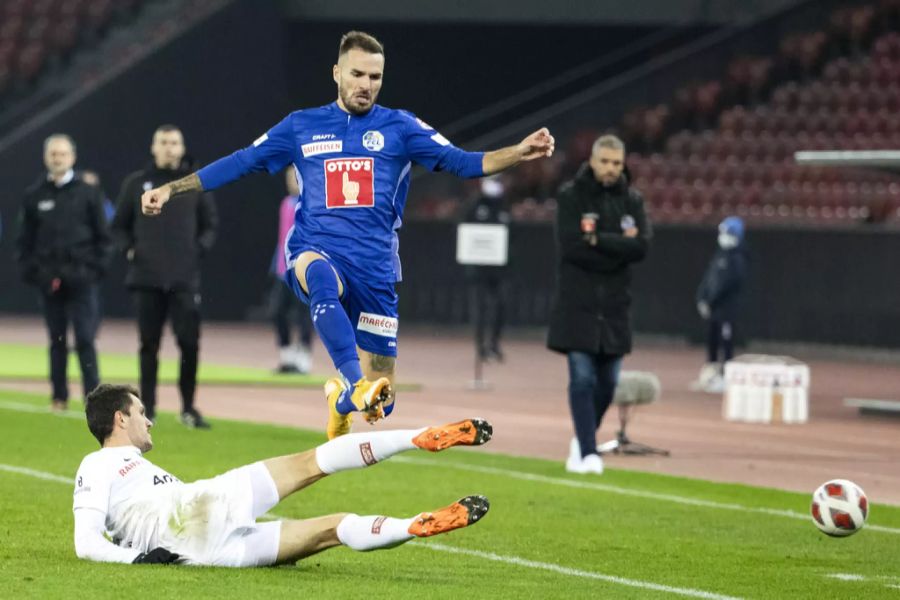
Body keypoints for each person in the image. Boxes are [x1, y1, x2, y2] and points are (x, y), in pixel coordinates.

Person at [139, 31, 555, 439]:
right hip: (315, 247)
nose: (366, 85)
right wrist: (171, 188)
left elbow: (463, 163)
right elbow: (240, 162)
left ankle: (343, 400)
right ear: (337, 72)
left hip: (374, 268)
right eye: (357, 74)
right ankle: (353, 381)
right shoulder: (301, 126)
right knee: (318, 277)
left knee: (382, 405)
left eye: (375, 77)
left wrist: (518, 152)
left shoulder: (401, 127)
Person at [72, 383, 492, 566]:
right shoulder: (97, 463)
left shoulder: (134, 470)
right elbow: (85, 542)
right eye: (142, 413)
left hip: (204, 556)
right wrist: (137, 557)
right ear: (119, 420)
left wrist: (145, 555)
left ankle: (412, 526)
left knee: (333, 529)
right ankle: (418, 436)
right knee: (314, 462)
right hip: (194, 510)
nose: (150, 422)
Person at [546, 134, 651, 475]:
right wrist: (619, 246)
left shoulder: (632, 201)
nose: (610, 169)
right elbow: (572, 247)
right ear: (592, 161)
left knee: (608, 382)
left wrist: (598, 242)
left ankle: (583, 439)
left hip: (616, 306)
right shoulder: (570, 196)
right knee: (582, 378)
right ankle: (589, 452)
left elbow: (642, 248)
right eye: (605, 161)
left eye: (617, 163)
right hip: (579, 304)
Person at [112, 125, 218, 427]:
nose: (169, 148)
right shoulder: (136, 184)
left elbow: (210, 225)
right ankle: (148, 409)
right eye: (164, 142)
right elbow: (118, 226)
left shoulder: (193, 185)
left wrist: (196, 251)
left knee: (189, 343)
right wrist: (130, 251)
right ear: (153, 147)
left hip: (184, 279)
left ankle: (188, 407)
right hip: (146, 278)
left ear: (182, 148)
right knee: (149, 345)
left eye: (174, 142)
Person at [15, 134, 111, 411]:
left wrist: (93, 271)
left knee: (85, 338)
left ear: (73, 157)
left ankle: (95, 400)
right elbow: (24, 241)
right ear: (46, 157)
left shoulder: (88, 192)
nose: (57, 158)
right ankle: (59, 397)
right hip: (50, 282)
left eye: (62, 153)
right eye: (53, 154)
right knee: (56, 340)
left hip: (82, 279)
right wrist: (36, 274)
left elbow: (104, 237)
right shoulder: (34, 195)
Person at [693, 216, 747, 393]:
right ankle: (711, 374)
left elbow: (727, 285)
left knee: (726, 343)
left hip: (727, 310)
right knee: (712, 341)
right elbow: (709, 279)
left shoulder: (737, 259)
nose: (722, 236)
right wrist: (702, 298)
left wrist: (711, 300)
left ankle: (727, 376)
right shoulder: (719, 255)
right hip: (714, 310)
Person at [463, 177, 511, 362]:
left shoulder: (504, 206)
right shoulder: (474, 206)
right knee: (480, 309)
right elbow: (462, 229)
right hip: (478, 268)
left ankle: (494, 344)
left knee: (500, 306)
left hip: (499, 269)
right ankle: (481, 347)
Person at [271, 168, 314, 373]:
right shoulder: (284, 203)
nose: (292, 182)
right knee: (277, 311)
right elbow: (282, 239)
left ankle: (304, 357)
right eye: (289, 178)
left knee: (303, 314)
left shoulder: (311, 204)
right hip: (283, 270)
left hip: (303, 270)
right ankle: (287, 356)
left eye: (296, 178)